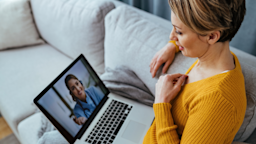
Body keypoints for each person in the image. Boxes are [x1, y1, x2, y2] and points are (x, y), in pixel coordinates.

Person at [144, 0, 247, 143]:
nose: (171, 36)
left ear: (211, 36)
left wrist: (161, 103)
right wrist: (173, 45)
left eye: (179, 32)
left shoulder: (217, 101)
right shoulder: (218, 56)